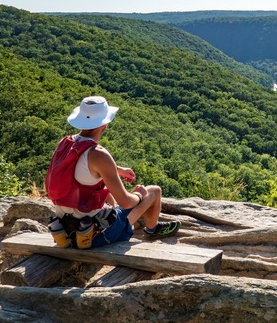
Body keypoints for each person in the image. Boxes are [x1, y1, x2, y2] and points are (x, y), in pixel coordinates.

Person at [45, 96, 180, 249]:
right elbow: (126, 202)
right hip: (96, 235)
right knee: (154, 191)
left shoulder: (64, 143)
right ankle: (152, 229)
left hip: (65, 229)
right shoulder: (98, 154)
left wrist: (116, 170)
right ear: (105, 123)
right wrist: (140, 194)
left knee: (110, 196)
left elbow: (76, 170)